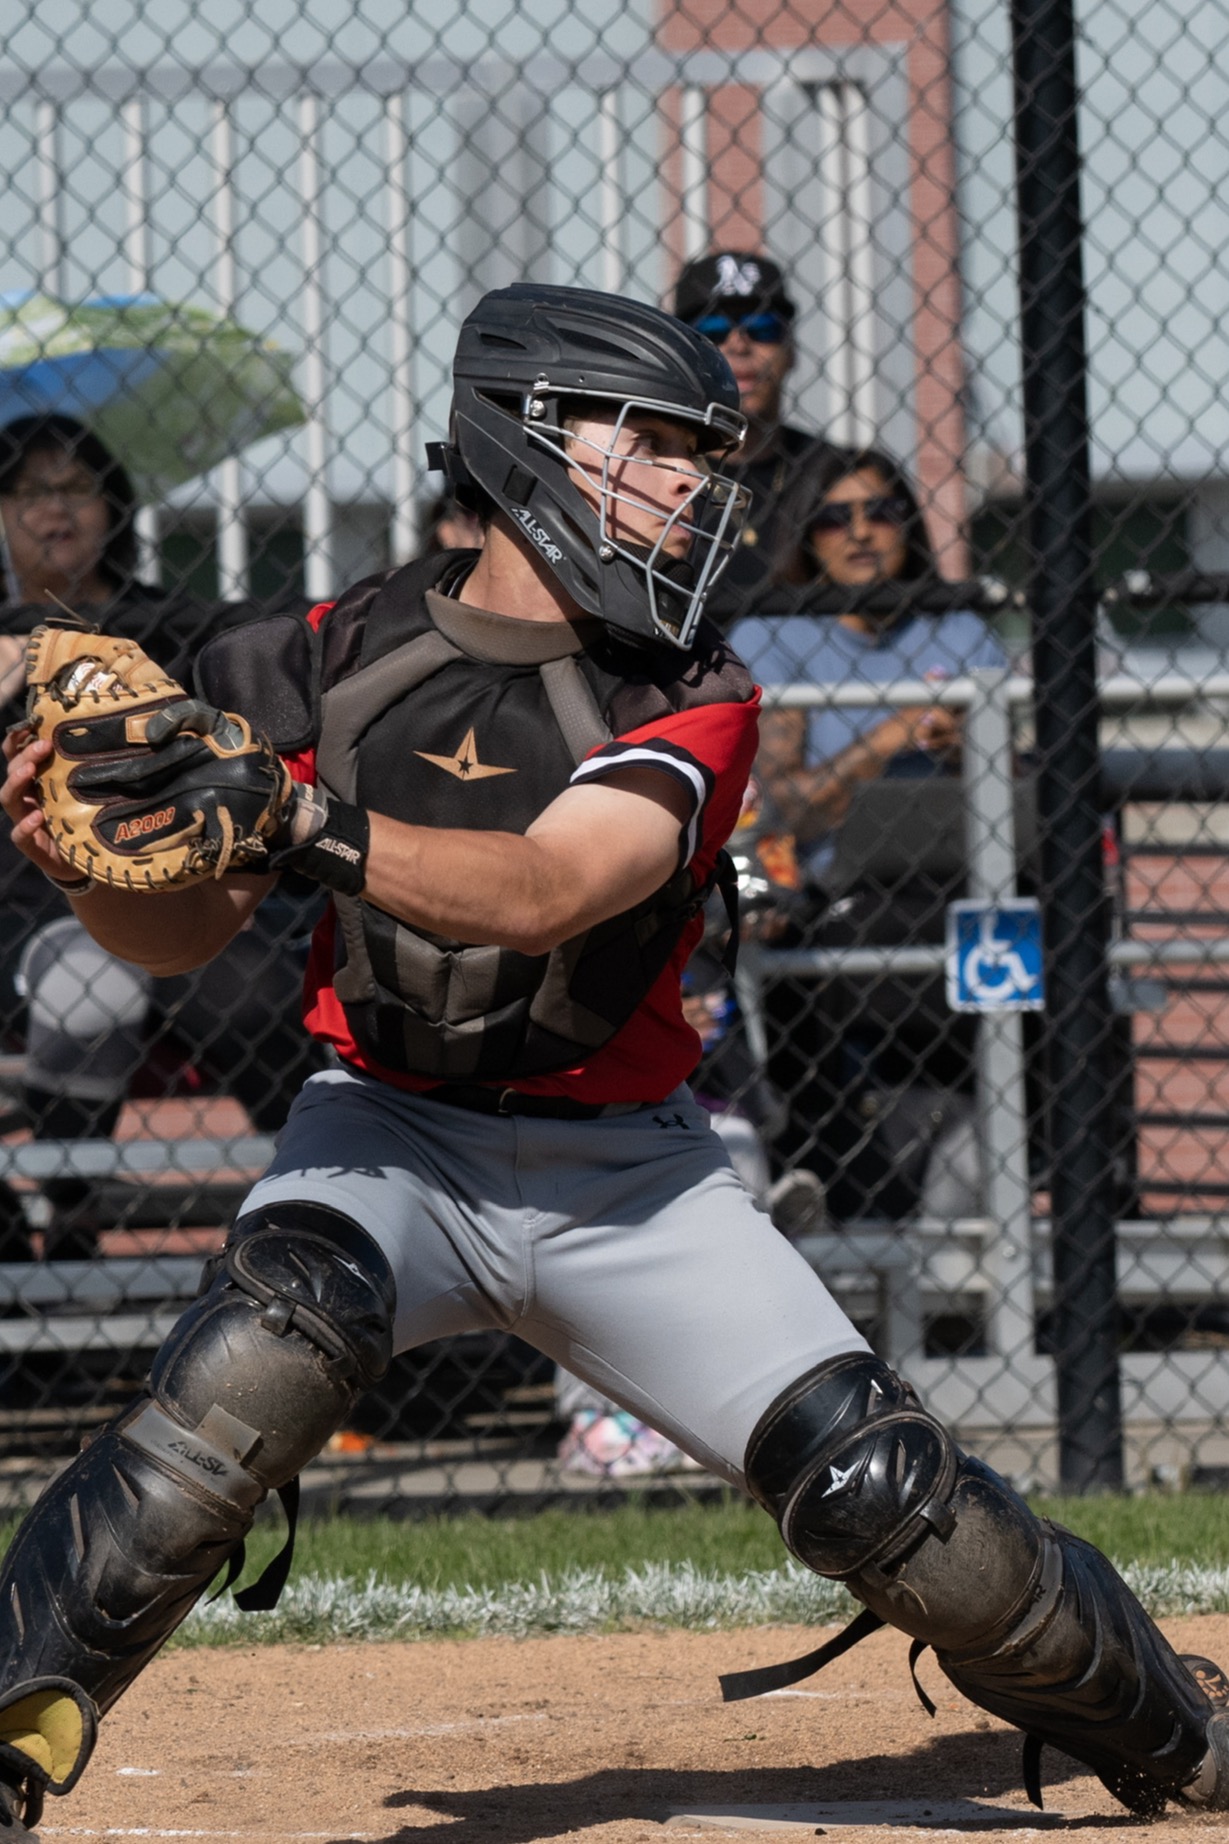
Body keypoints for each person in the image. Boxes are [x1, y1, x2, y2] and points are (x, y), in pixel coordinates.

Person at [1, 283, 1227, 1833]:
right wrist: (88, 864)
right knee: (265, 1343)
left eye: (698, 457)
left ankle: (1178, 1732)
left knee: (882, 1493)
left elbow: (545, 890)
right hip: (387, 1134)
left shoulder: (693, 687)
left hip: (630, 1176)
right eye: (649, 447)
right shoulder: (328, 648)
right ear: (528, 443)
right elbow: (182, 938)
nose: (690, 488)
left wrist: (303, 816)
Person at [0, 414, 321, 1258]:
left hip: (175, 881)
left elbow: (286, 632)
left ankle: (316, 1191)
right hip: (29, 906)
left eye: (75, 487)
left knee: (254, 992)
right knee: (88, 991)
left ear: (112, 505)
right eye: (28, 491)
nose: (53, 509)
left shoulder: (164, 624)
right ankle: (67, 1208)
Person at [730, 445, 1010, 1220]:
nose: (858, 532)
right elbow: (783, 809)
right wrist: (887, 738)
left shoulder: (957, 628)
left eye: (879, 512)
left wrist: (971, 749)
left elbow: (1018, 785)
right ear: (806, 537)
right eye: (833, 518)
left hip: (956, 880)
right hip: (832, 896)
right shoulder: (778, 632)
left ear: (907, 526)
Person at [671, 250, 839, 626]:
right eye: (712, 330)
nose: (739, 344)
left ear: (792, 350)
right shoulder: (650, 473)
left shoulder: (834, 474)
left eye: (763, 328)